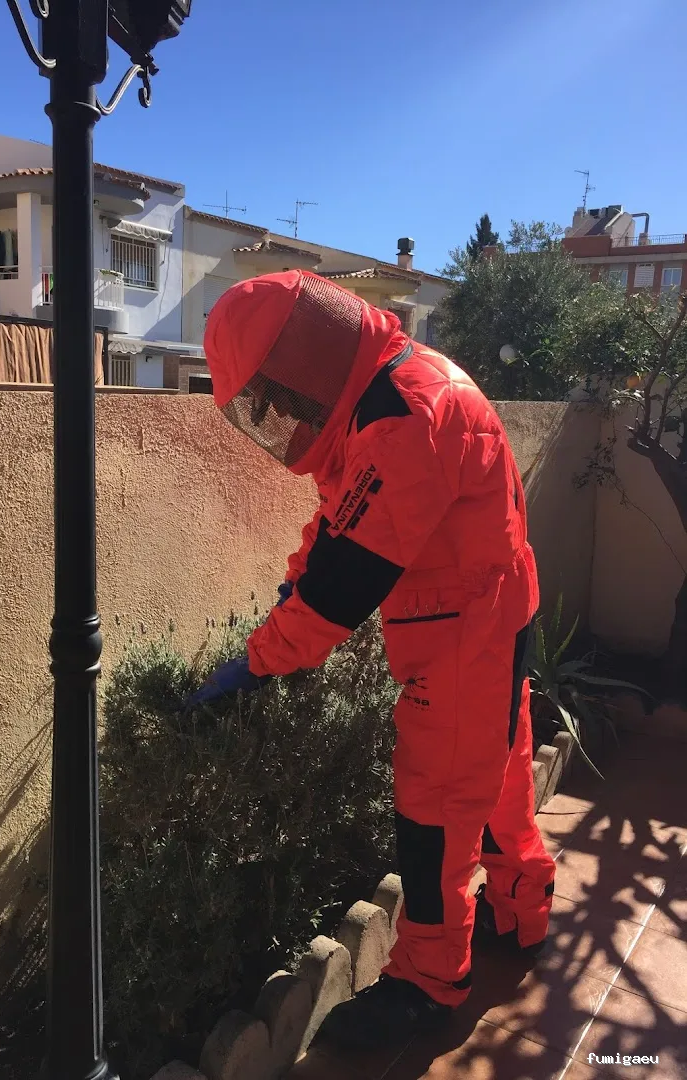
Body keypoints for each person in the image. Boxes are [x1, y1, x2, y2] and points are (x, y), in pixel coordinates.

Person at [186, 270, 556, 1052]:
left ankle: (428, 983)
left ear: (307, 357)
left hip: (465, 630)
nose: (282, 415)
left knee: (437, 808)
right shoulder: (386, 393)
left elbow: (341, 585)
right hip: (488, 609)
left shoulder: (405, 416)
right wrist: (295, 583)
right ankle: (520, 907)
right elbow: (339, 517)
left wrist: (259, 660)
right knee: (501, 768)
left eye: (277, 394)